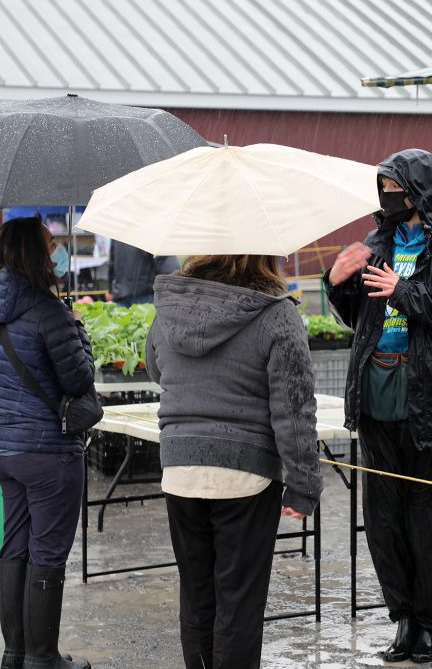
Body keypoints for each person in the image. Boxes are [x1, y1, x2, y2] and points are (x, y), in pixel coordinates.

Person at [323, 148, 432, 663]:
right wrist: (337, 284)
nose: (385, 194)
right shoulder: (377, 242)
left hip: (431, 401)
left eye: (393, 185)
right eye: (382, 185)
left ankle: (429, 624)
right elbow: (361, 319)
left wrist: (407, 292)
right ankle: (400, 618)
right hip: (376, 394)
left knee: (428, 516)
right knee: (384, 515)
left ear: (417, 190)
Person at [145, 254, 323, 669]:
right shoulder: (277, 315)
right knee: (238, 606)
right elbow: (295, 408)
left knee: (196, 597)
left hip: (180, 470)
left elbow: (156, 367)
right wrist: (304, 484)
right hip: (246, 477)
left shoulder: (169, 307)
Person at [0, 216, 96, 669]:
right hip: (49, 453)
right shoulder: (50, 311)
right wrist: (78, 330)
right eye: (51, 245)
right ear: (34, 251)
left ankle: (15, 653)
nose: (57, 253)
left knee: (15, 546)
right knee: (47, 552)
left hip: (5, 449)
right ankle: (43, 657)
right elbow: (80, 377)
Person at [107, 239, 179, 306]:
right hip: (145, 296)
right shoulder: (154, 229)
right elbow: (167, 265)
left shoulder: (120, 229)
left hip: (121, 295)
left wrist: (110, 290)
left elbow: (111, 263)